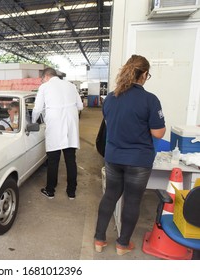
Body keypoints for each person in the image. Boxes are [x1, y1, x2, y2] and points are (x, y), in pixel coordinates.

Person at [94, 55, 166, 255]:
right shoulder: (150, 100)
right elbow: (158, 133)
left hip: (113, 157)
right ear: (143, 75)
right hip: (138, 160)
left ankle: (99, 240)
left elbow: (109, 125)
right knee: (133, 200)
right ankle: (122, 244)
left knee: (110, 196)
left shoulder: (110, 97)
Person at [32, 67, 83, 199]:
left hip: (54, 126)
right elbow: (80, 106)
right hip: (70, 127)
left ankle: (50, 190)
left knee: (53, 160)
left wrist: (33, 121)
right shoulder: (71, 86)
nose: (42, 82)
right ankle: (71, 192)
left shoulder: (44, 87)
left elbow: (37, 109)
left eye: (42, 79)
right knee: (71, 160)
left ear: (46, 77)